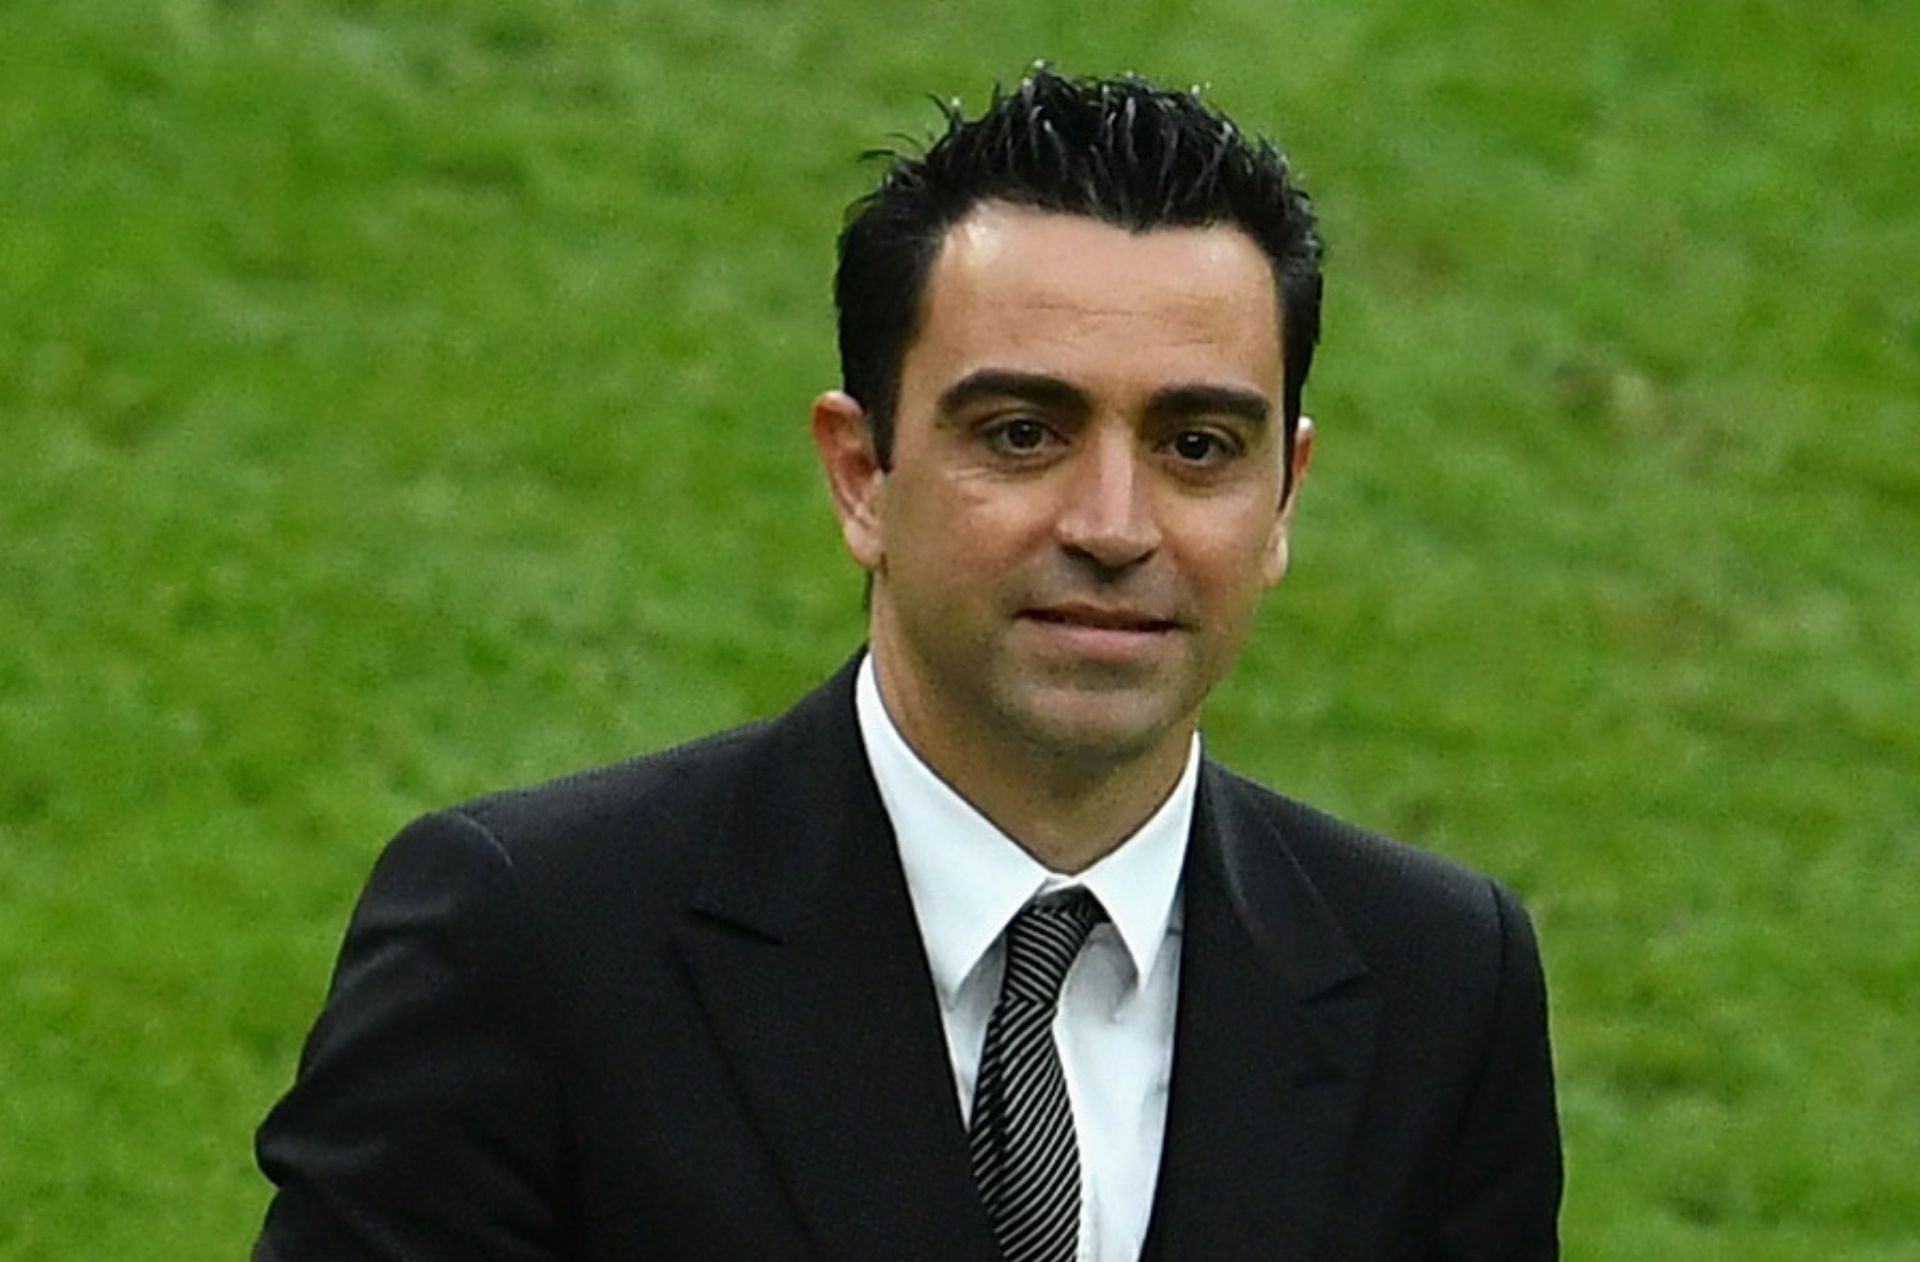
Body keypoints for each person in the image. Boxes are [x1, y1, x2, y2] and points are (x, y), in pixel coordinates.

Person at [253, 69, 1561, 1262]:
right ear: (861, 475)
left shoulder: (1441, 982)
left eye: (1198, 447)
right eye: (1024, 432)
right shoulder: (531, 942)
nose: (1114, 526)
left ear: (1285, 498)